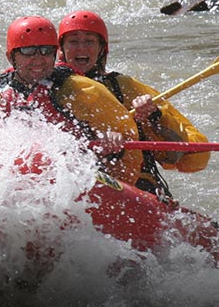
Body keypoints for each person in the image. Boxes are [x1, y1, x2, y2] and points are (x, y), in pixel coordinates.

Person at [0, 16, 143, 185]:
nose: (38, 59)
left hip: (74, 184)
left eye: (46, 51)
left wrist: (115, 148)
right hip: (8, 183)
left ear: (55, 55)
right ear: (11, 57)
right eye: (27, 51)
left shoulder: (84, 91)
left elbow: (129, 148)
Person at [57, 10, 209, 198]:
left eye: (89, 41)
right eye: (73, 42)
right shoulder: (50, 88)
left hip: (137, 187)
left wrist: (155, 116)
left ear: (101, 49)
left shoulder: (123, 87)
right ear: (61, 49)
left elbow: (192, 156)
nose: (81, 48)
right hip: (77, 180)